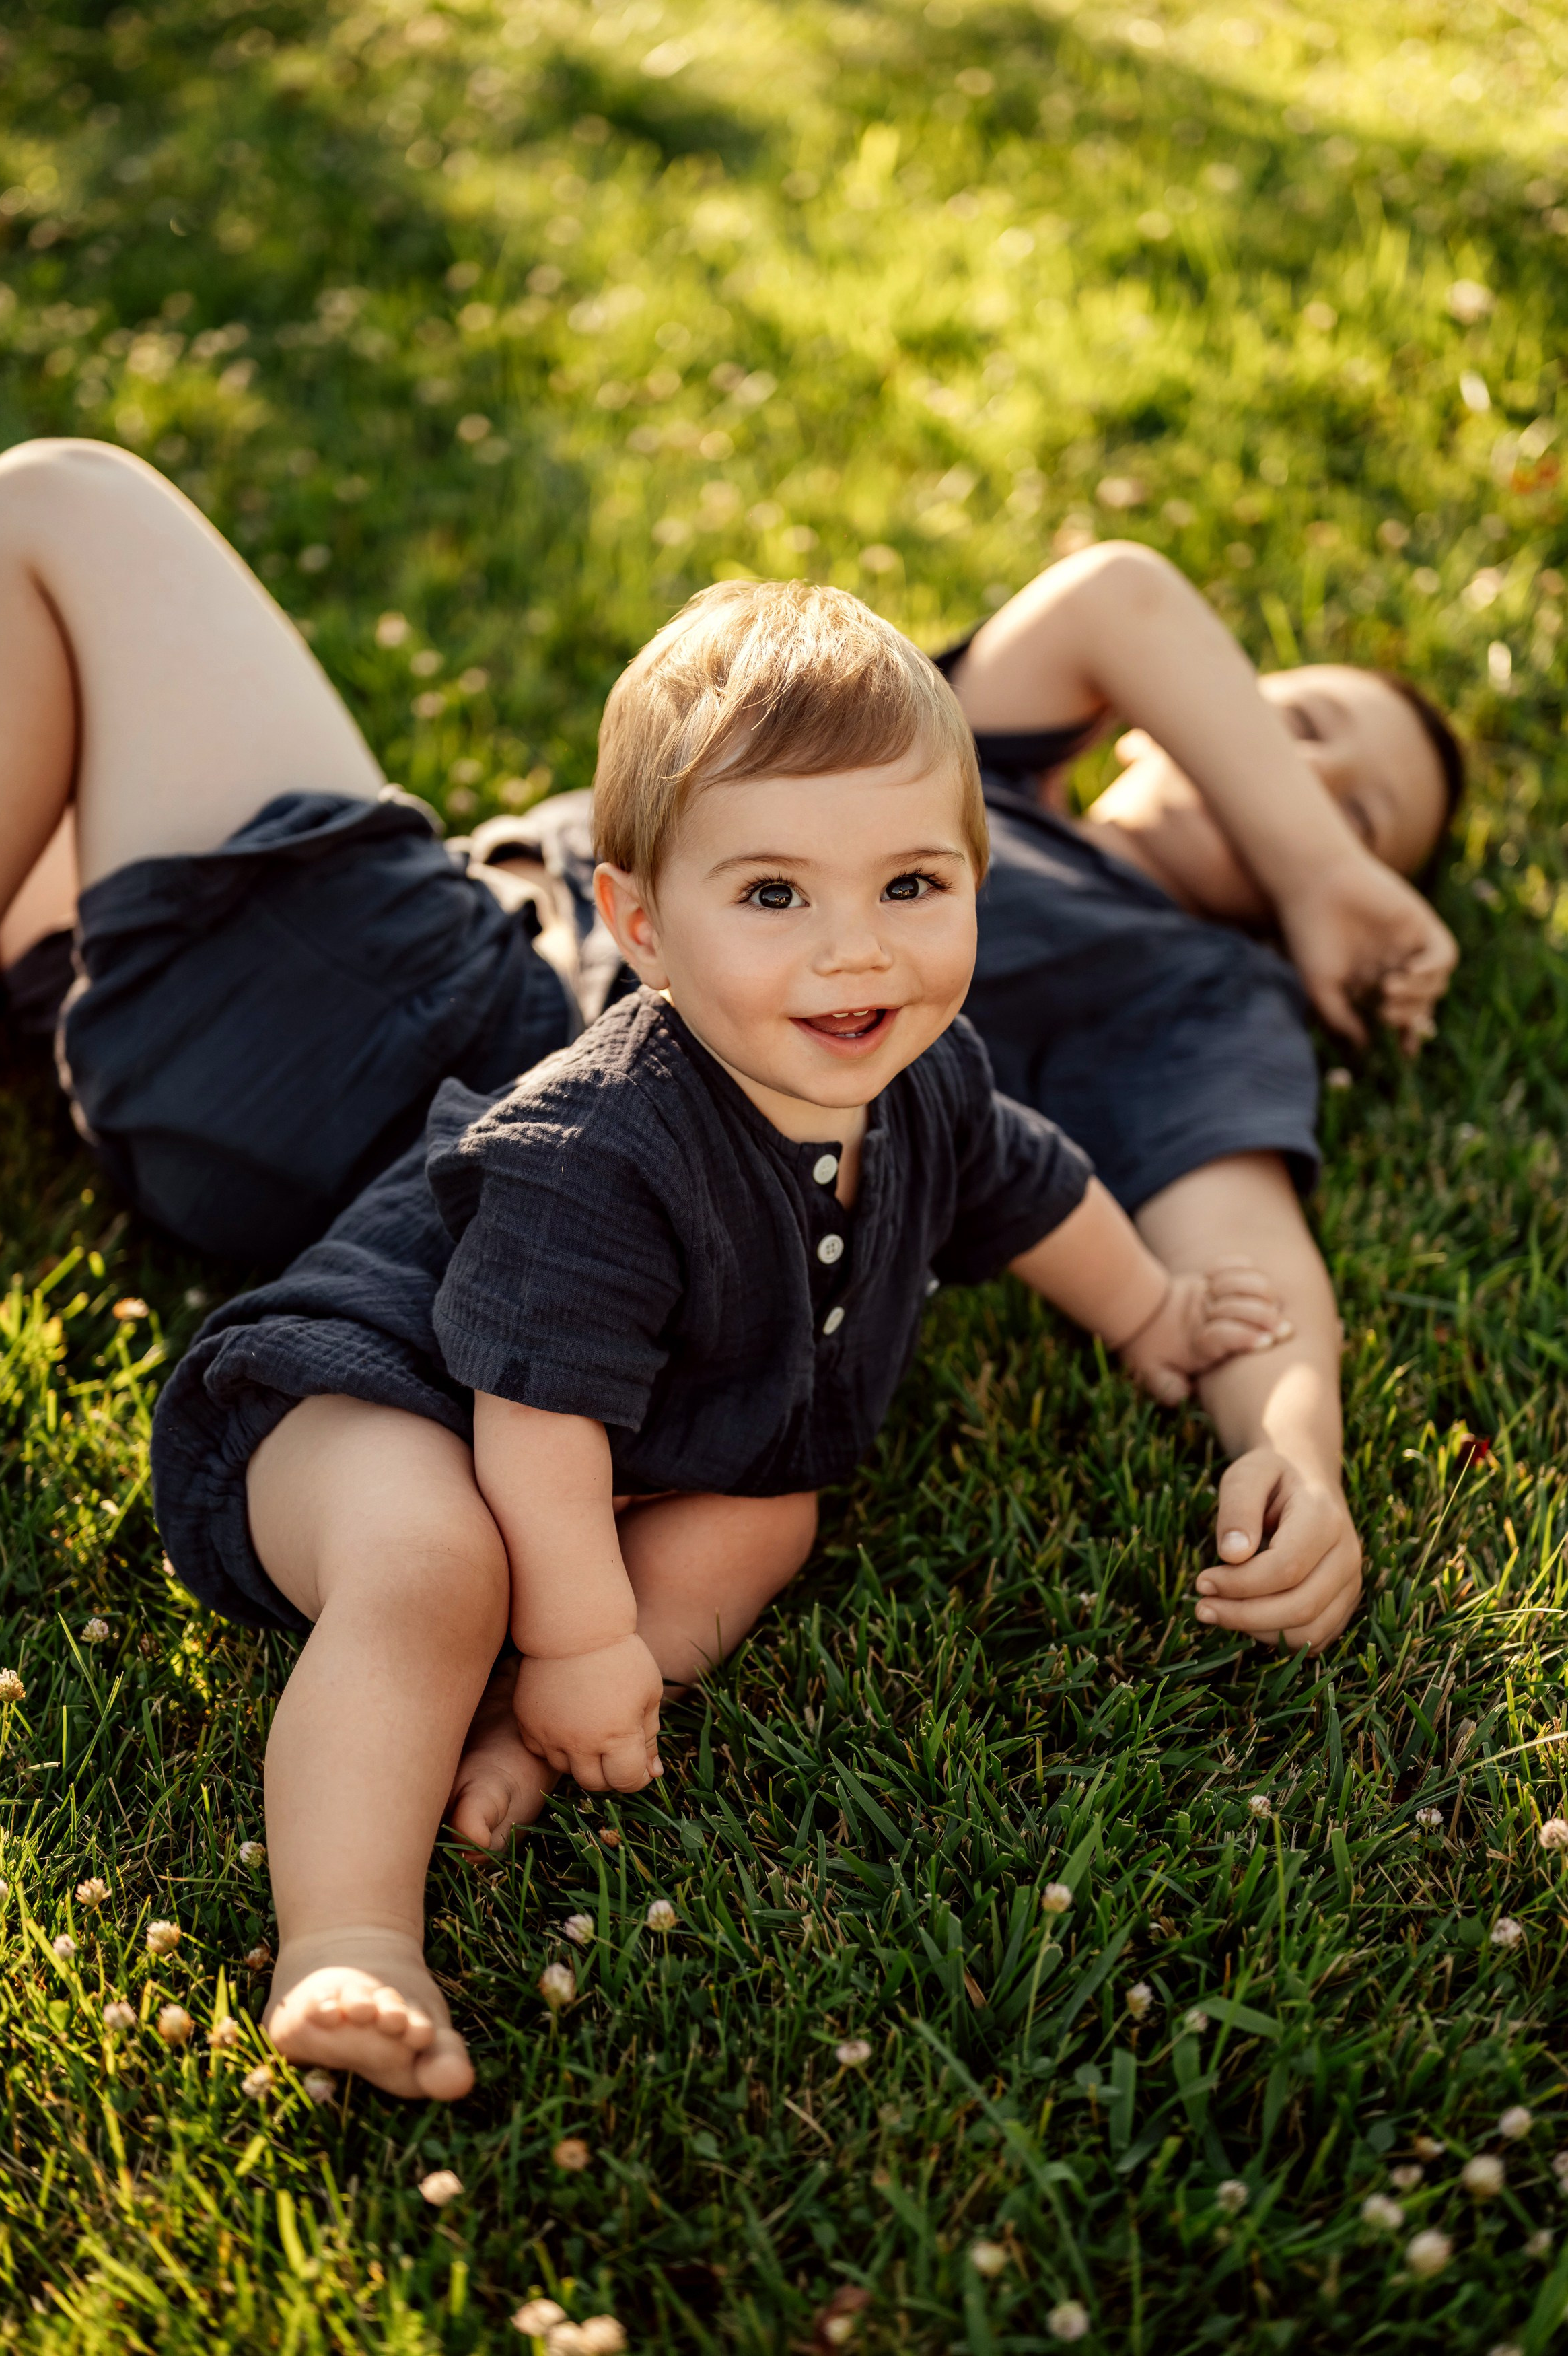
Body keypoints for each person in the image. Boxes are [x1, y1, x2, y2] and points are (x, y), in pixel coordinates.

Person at [0, 442, 1456, 1684]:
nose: (1309, 782)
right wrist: (1325, 844)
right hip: (363, 982)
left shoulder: (1195, 980)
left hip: (432, 1040)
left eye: (1366, 809)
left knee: (63, 507)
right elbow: (1121, 595)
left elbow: (1238, 1250)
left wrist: (1297, 1453)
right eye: (1307, 723)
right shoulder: (966, 770)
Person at [149, 581, 1289, 2098]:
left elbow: (1029, 1183)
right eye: (773, 896)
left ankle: (521, 1741)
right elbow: (532, 1419)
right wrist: (579, 1629)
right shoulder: (601, 1145)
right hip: (389, 1395)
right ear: (641, 924)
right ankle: (349, 1938)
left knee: (768, 1514)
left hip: (638, 1438)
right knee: (443, 1569)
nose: (856, 955)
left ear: (976, 874)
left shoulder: (922, 1069)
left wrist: (1151, 1308)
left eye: (911, 886)